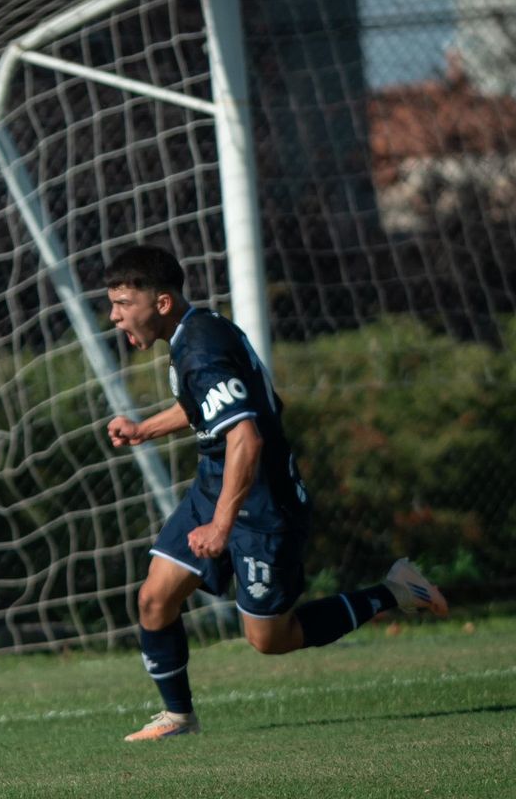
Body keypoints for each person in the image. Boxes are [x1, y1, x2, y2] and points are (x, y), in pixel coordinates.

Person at [104, 245, 448, 742]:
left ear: (159, 303)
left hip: (264, 503)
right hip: (215, 484)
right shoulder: (195, 332)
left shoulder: (199, 349)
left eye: (122, 304)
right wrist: (144, 429)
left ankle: (396, 590)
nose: (114, 317)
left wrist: (222, 525)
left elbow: (246, 437)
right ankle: (178, 718)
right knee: (155, 599)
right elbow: (211, 407)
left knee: (270, 639)